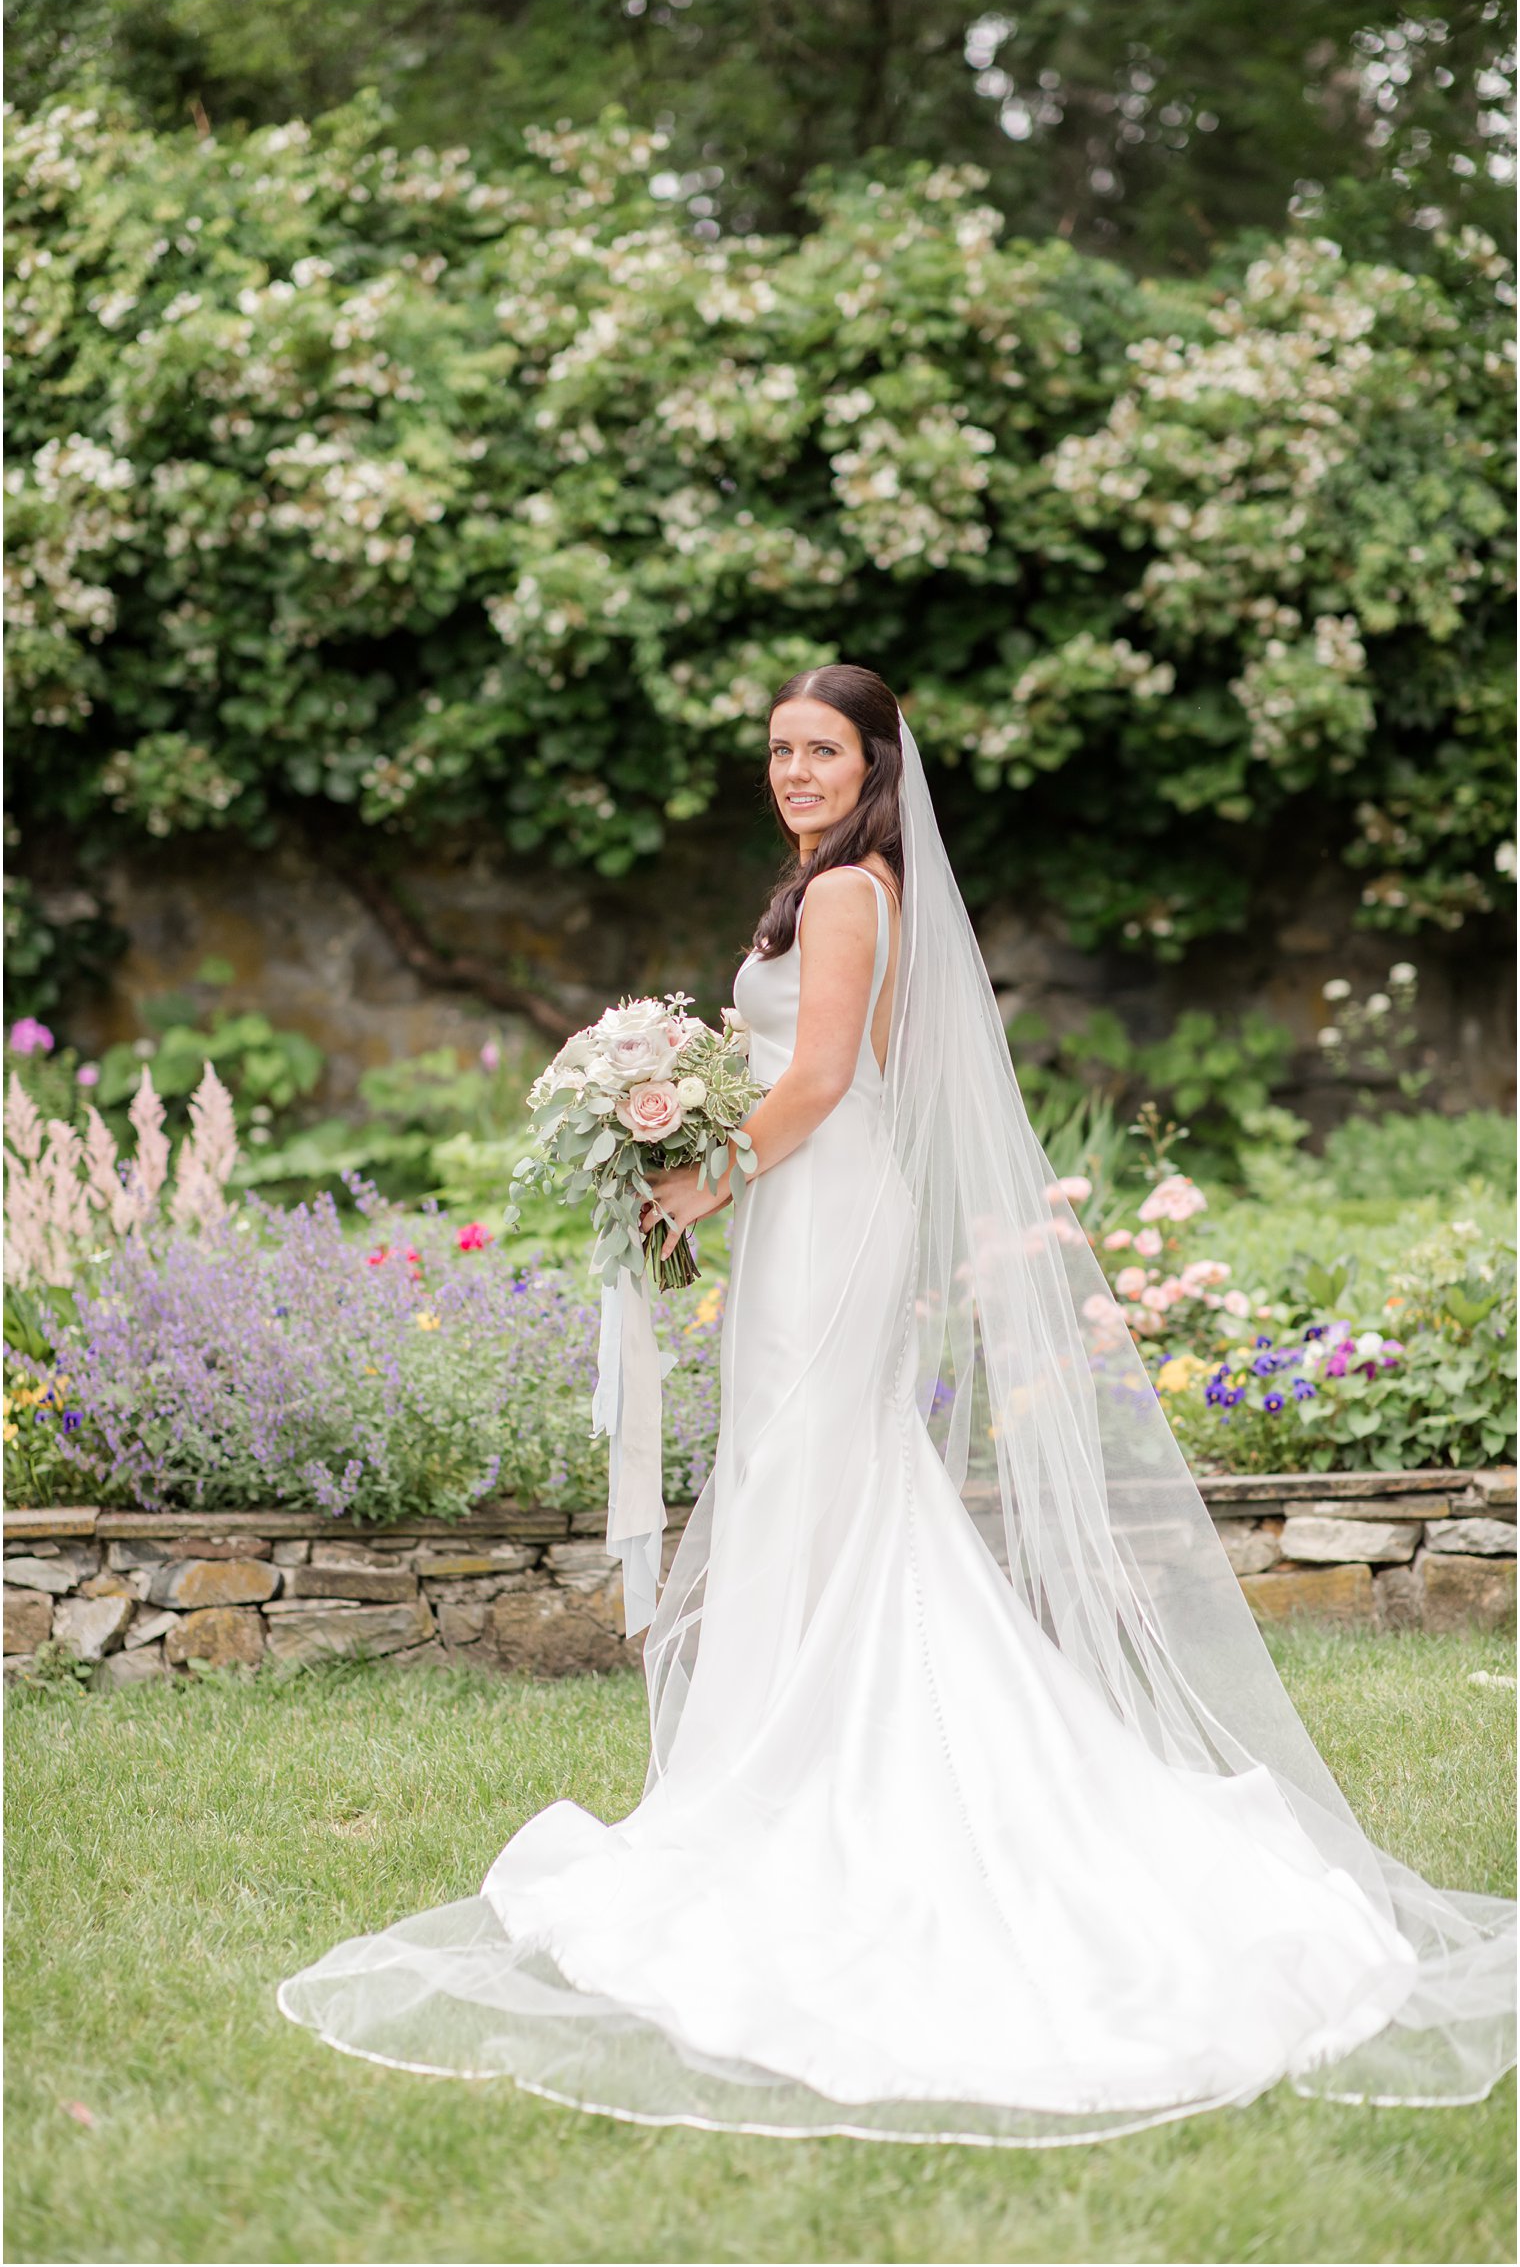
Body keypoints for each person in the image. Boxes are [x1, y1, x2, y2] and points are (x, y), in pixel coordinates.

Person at [279, 665, 1515, 2145]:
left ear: (875, 764)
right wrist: (661, 1105)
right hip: (798, 1213)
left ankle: (800, 1779)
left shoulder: (856, 889)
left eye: (824, 750)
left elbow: (813, 1087)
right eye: (781, 749)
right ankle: (766, 1760)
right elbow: (766, 1074)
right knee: (810, 1480)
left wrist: (697, 1177)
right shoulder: (813, 883)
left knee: (818, 1469)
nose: (796, 771)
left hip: (830, 1210)